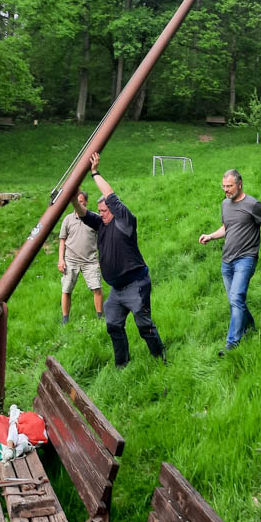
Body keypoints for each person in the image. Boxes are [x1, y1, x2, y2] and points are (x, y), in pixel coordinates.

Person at [73, 152, 166, 368]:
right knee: (113, 324)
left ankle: (159, 356)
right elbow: (82, 212)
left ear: (114, 210)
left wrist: (94, 172)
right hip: (116, 289)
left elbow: (111, 196)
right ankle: (121, 365)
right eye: (100, 210)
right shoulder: (101, 224)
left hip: (136, 284)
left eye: (105, 210)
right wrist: (72, 195)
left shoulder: (125, 221)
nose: (101, 213)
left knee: (144, 325)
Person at [198, 169, 261, 354]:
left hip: (246, 259)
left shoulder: (253, 204)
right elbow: (226, 228)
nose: (226, 190)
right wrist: (210, 236)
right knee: (235, 300)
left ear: (240, 184)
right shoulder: (225, 205)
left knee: (236, 298)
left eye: (229, 186)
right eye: (224, 186)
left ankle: (232, 344)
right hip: (227, 261)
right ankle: (250, 326)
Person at [57, 190, 103, 324]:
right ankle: (65, 320)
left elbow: (102, 240)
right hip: (71, 260)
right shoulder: (68, 219)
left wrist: (101, 259)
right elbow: (62, 241)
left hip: (90, 261)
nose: (78, 204)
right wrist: (61, 260)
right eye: (76, 202)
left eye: (81, 202)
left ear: (86, 202)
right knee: (66, 289)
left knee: (97, 288)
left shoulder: (94, 218)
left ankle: (100, 318)